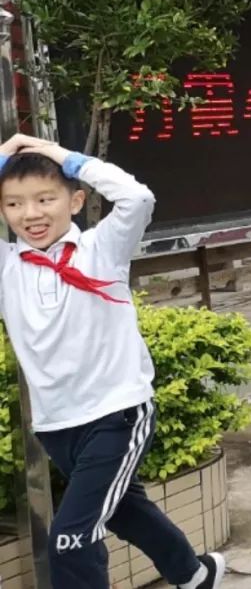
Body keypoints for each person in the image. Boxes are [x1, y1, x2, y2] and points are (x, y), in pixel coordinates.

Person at [0, 134, 224, 589]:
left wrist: (63, 156)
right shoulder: (8, 265)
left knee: (71, 537)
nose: (31, 214)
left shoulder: (101, 250)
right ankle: (195, 575)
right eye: (14, 204)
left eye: (45, 199)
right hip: (56, 425)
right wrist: (3, 156)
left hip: (117, 413)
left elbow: (137, 197)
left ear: (76, 199)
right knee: (124, 510)